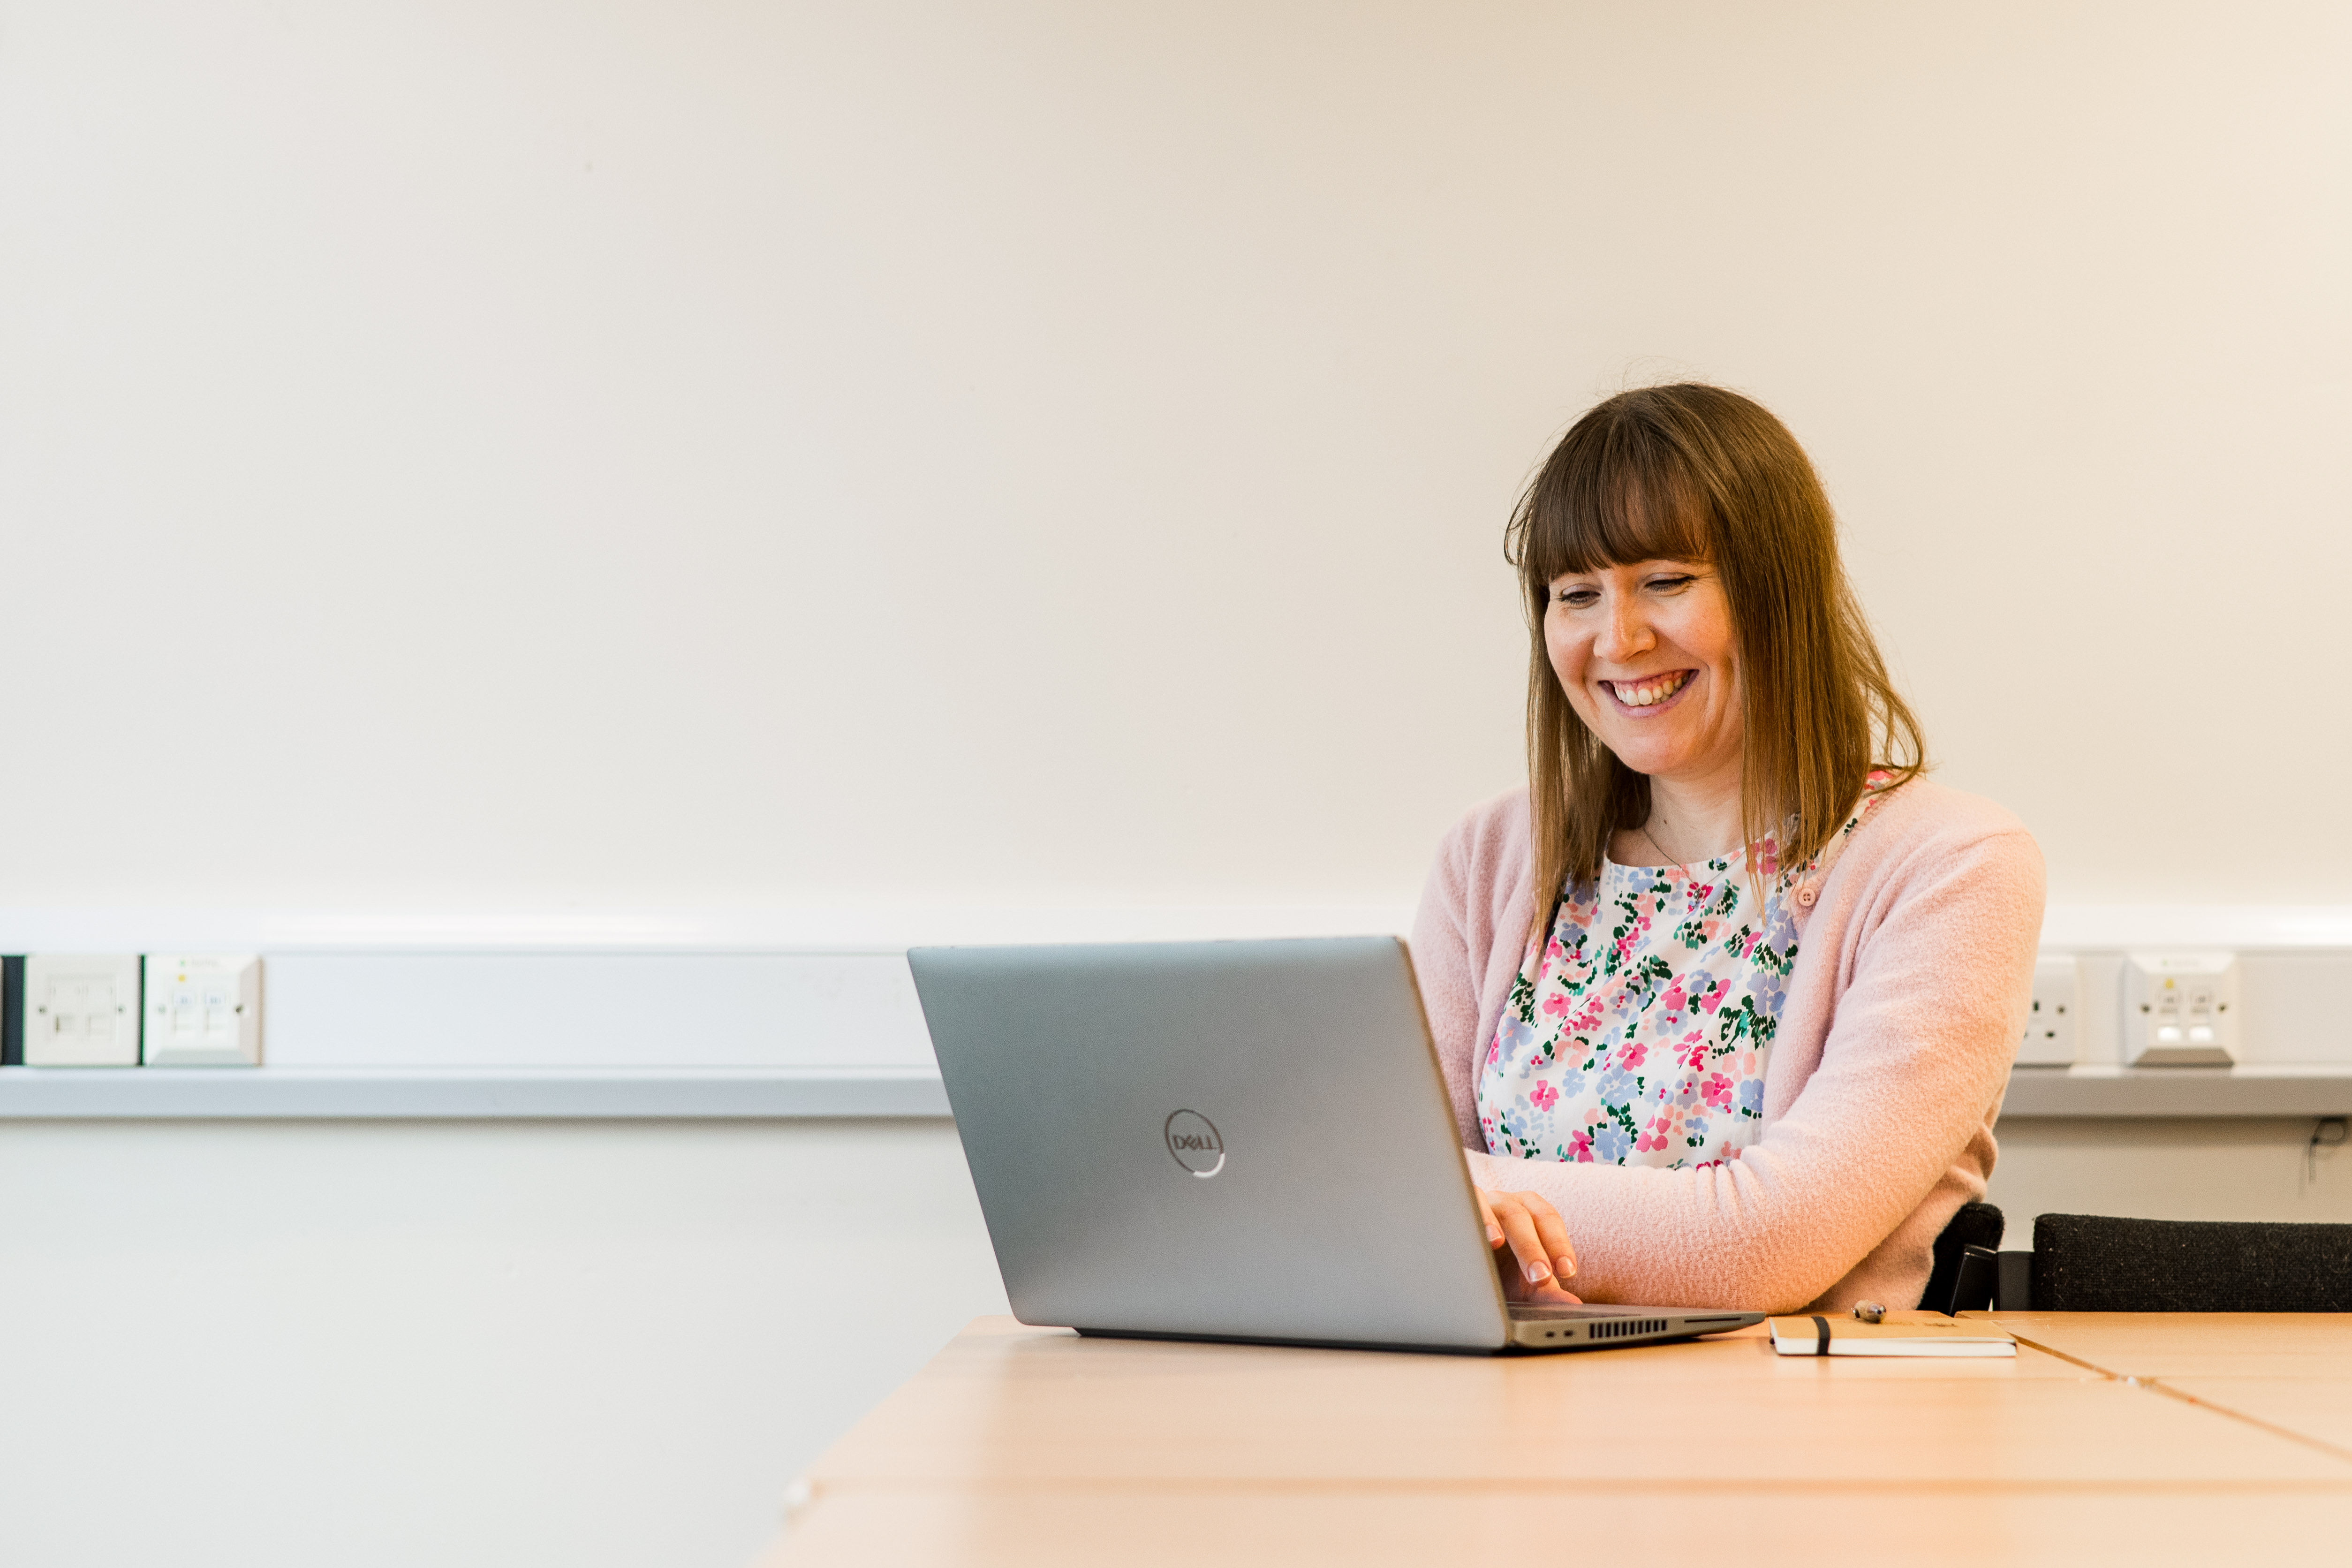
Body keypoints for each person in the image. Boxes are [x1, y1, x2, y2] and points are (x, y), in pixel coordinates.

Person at [1411, 382, 2043, 1314]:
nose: (1617, 638)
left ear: (1774, 590)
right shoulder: (1492, 856)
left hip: (1796, 1432)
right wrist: (1441, 1198)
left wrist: (1469, 1201)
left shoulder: (1953, 865)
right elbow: (1387, 1200)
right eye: (1575, 594)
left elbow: (1767, 1244)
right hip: (1507, 1419)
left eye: (1665, 581)